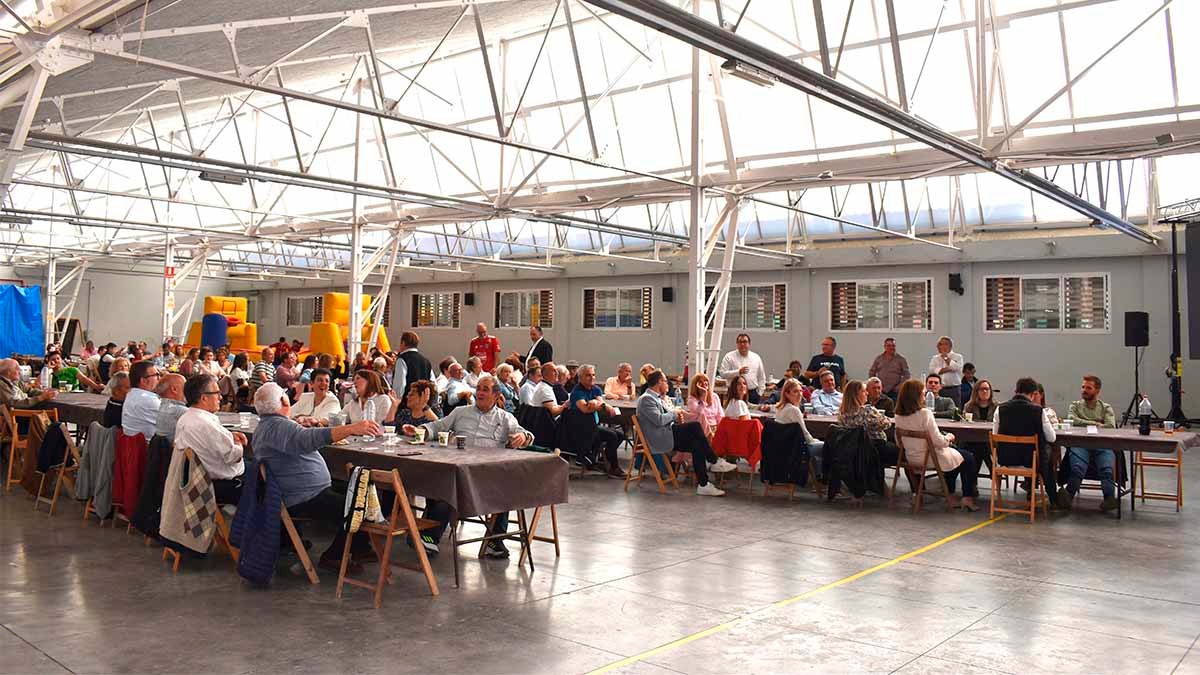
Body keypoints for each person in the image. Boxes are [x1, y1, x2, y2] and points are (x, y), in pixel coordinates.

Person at [252, 383, 381, 573]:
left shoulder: (268, 425)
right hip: (304, 496)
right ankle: (333, 556)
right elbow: (309, 439)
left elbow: (301, 438)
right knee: (358, 505)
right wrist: (351, 428)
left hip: (301, 491)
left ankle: (360, 547)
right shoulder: (278, 426)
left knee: (361, 492)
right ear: (283, 401)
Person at [402, 375, 534, 558]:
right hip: (459, 470)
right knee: (445, 483)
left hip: (487, 475)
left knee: (505, 485)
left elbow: (525, 434)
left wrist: (523, 437)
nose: (480, 392)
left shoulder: (505, 418)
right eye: (478, 388)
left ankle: (495, 541)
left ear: (496, 395)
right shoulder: (460, 412)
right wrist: (420, 431)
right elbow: (438, 426)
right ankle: (429, 537)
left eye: (485, 389)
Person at [637, 370, 736, 496]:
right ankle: (714, 461)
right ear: (659, 382)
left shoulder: (658, 398)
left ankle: (703, 485)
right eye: (665, 381)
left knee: (697, 445)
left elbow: (666, 417)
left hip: (667, 434)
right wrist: (674, 414)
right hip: (660, 439)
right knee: (695, 426)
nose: (667, 384)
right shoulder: (646, 399)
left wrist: (676, 417)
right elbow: (659, 420)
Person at [894, 379, 979, 511]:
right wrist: (949, 437)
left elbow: (898, 442)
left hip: (911, 459)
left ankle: (923, 494)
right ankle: (965, 497)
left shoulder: (898, 416)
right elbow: (939, 442)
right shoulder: (925, 414)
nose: (924, 397)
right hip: (929, 458)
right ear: (916, 396)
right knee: (967, 457)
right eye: (923, 394)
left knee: (956, 456)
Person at [173, 374, 248, 504]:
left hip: (197, 481)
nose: (220, 397)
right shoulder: (205, 424)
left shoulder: (186, 418)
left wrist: (230, 435)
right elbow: (233, 456)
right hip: (219, 486)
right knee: (265, 473)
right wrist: (239, 443)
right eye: (217, 393)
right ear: (204, 398)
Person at [1058, 375, 1119, 511]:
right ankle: (1067, 497)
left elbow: (1110, 426)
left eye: (1088, 388)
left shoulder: (1106, 407)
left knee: (1106, 469)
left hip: (1102, 444)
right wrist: (1096, 423)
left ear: (1097, 391)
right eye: (1083, 387)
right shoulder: (1075, 405)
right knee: (1077, 468)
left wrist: (1083, 422)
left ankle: (1109, 498)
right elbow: (1072, 420)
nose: (1084, 390)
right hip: (1080, 443)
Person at [993, 377, 1058, 500]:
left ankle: (1030, 487)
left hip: (1006, 459)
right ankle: (1052, 495)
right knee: (1047, 450)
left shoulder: (1000, 409)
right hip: (1030, 461)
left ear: (1015, 391)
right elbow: (1052, 438)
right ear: (1033, 394)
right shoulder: (1038, 411)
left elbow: (995, 436)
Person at [566, 364, 625, 477]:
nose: (592, 377)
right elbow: (585, 409)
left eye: (593, 375)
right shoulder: (577, 392)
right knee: (612, 436)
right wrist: (600, 405)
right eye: (588, 375)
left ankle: (602, 459)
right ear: (580, 377)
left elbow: (600, 402)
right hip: (581, 429)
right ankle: (614, 468)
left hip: (592, 425)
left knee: (620, 435)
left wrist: (601, 405)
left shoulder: (595, 389)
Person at [837, 378, 898, 473]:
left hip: (852, 451)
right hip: (875, 448)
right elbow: (887, 424)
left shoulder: (842, 414)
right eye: (864, 391)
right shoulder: (867, 411)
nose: (867, 393)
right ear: (856, 395)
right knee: (904, 452)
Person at [774, 378, 823, 469]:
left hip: (782, 447)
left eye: (801, 391)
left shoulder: (780, 408)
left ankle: (817, 474)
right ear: (787, 394)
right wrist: (817, 441)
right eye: (795, 391)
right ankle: (823, 475)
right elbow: (806, 435)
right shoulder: (793, 410)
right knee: (827, 447)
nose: (800, 394)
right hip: (795, 449)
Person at [0, 359, 57, 424]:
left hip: (25, 414)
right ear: (9, 372)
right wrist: (40, 398)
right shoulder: (2, 385)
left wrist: (45, 393)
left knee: (50, 415)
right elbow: (13, 404)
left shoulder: (15, 381)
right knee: (50, 416)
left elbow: (30, 391)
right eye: (17, 369)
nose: (20, 371)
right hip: (17, 420)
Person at [719, 333, 767, 403]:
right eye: (740, 342)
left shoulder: (756, 357)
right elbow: (722, 373)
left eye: (745, 342)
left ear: (749, 344)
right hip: (734, 393)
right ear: (737, 344)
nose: (742, 344)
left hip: (752, 393)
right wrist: (738, 372)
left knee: (753, 410)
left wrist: (760, 393)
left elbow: (761, 377)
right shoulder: (729, 357)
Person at [391, 331, 432, 407]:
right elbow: (433, 383)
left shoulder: (402, 359)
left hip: (407, 403)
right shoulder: (426, 361)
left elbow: (400, 384)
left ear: (403, 343)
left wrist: (396, 402)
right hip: (423, 403)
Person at [122, 361, 162, 439]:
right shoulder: (149, 400)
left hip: (132, 444)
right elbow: (172, 422)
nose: (159, 378)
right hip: (148, 445)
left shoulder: (131, 394)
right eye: (156, 375)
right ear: (143, 381)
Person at [928, 336, 965, 408]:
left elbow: (957, 367)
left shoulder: (958, 357)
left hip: (953, 389)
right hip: (939, 389)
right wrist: (949, 368)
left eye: (945, 344)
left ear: (950, 346)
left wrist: (945, 357)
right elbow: (932, 371)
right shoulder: (935, 358)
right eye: (940, 344)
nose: (942, 346)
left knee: (955, 409)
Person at [152, 374, 187, 443]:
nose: (188, 391)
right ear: (174, 389)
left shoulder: (158, 406)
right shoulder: (180, 411)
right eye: (185, 387)